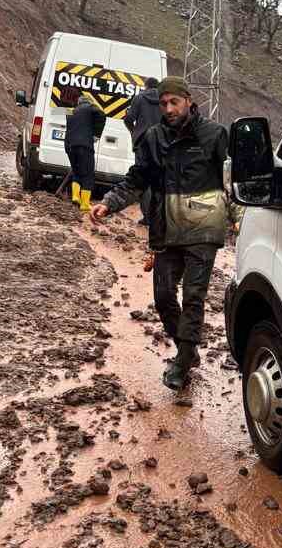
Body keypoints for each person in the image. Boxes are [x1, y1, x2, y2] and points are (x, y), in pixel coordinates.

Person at [92, 76, 233, 390]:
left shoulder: (214, 135)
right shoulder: (153, 139)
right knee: (164, 296)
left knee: (193, 297)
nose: (168, 109)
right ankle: (188, 348)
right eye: (163, 104)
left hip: (203, 229)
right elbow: (136, 179)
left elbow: (233, 178)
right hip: (166, 230)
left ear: (188, 101)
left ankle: (182, 361)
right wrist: (109, 203)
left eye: (174, 102)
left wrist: (239, 216)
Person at [123, 76, 163, 227]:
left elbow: (128, 119)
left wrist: (135, 132)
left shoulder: (139, 98)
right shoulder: (165, 102)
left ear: (146, 86)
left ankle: (147, 216)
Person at [64, 90, 105, 213]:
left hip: (70, 146)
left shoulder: (70, 111)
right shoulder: (90, 108)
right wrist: (96, 134)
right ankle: (85, 204)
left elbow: (69, 130)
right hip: (85, 147)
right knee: (87, 174)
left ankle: (76, 197)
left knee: (77, 172)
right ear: (88, 102)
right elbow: (102, 115)